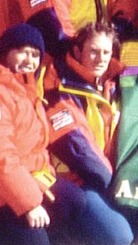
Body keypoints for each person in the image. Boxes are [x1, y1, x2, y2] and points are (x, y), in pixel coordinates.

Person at [0, 24, 133, 245]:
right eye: (22, 52)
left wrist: (44, 184)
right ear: (5, 53)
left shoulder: (25, 92)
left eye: (35, 54)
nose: (29, 60)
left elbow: (35, 149)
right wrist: (30, 204)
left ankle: (32, 227)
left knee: (72, 200)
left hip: (15, 182)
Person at [45, 22, 125, 200]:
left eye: (106, 52)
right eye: (93, 51)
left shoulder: (111, 87)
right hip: (72, 182)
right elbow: (78, 149)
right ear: (78, 52)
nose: (100, 58)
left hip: (102, 179)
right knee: (116, 228)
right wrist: (111, 182)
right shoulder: (60, 89)